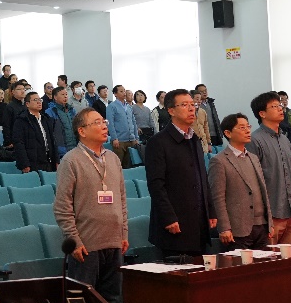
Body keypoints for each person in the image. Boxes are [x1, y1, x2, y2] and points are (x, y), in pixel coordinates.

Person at [54, 108, 129, 303]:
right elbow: (62, 206)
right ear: (82, 131)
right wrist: (74, 240)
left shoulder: (113, 158)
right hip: (86, 246)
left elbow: (121, 199)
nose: (104, 126)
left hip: (114, 242)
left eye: (104, 122)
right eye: (97, 122)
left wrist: (123, 233)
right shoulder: (71, 160)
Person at [145, 89, 215, 260]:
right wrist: (168, 217)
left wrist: (211, 211)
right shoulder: (158, 142)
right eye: (184, 105)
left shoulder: (195, 139)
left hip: (198, 223)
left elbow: (203, 179)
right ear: (171, 110)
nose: (191, 109)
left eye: (193, 105)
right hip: (174, 224)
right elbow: (156, 185)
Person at [207, 113, 271, 251]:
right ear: (228, 133)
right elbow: (217, 197)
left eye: (248, 127)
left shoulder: (253, 158)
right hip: (237, 229)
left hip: (261, 226)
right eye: (242, 127)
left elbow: (263, 191)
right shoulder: (219, 161)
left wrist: (269, 224)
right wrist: (224, 227)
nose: (247, 131)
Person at [248, 91, 291, 245]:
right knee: (271, 257)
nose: (280, 108)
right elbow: (253, 180)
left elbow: (290, 175)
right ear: (262, 113)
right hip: (271, 214)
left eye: (280, 105)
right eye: (274, 106)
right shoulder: (254, 140)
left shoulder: (284, 139)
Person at [12, 91, 64, 173]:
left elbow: (52, 141)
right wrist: (24, 163)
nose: (39, 102)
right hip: (32, 163)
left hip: (48, 162)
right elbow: (19, 143)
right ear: (27, 104)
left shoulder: (46, 119)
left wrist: (56, 160)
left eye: (40, 100)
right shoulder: (22, 120)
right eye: (35, 100)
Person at [106, 85, 138, 168]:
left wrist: (136, 138)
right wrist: (114, 138)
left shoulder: (129, 106)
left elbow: (134, 122)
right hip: (119, 141)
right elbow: (110, 123)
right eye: (121, 91)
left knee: (129, 165)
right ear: (115, 94)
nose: (124, 93)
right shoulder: (111, 106)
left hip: (131, 140)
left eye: (124, 91)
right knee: (118, 165)